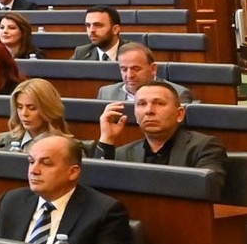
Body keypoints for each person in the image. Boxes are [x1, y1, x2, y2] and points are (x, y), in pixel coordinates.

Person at [0, 135, 133, 244]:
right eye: (31, 161)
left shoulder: (104, 212)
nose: (34, 170)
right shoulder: (11, 201)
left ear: (73, 172)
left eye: (46, 163)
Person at [94, 80, 227, 197]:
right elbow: (99, 191)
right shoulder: (123, 153)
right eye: (141, 104)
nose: (149, 111)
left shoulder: (204, 147)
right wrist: (106, 139)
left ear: (179, 114)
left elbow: (209, 189)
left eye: (159, 103)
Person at [96, 42, 195, 104]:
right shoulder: (106, 93)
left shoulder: (178, 94)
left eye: (136, 69)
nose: (129, 75)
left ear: (153, 69)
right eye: (124, 69)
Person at [0, 78, 73, 151]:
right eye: (20, 107)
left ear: (48, 109)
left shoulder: (68, 147)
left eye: (32, 108)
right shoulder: (4, 141)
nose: (24, 113)